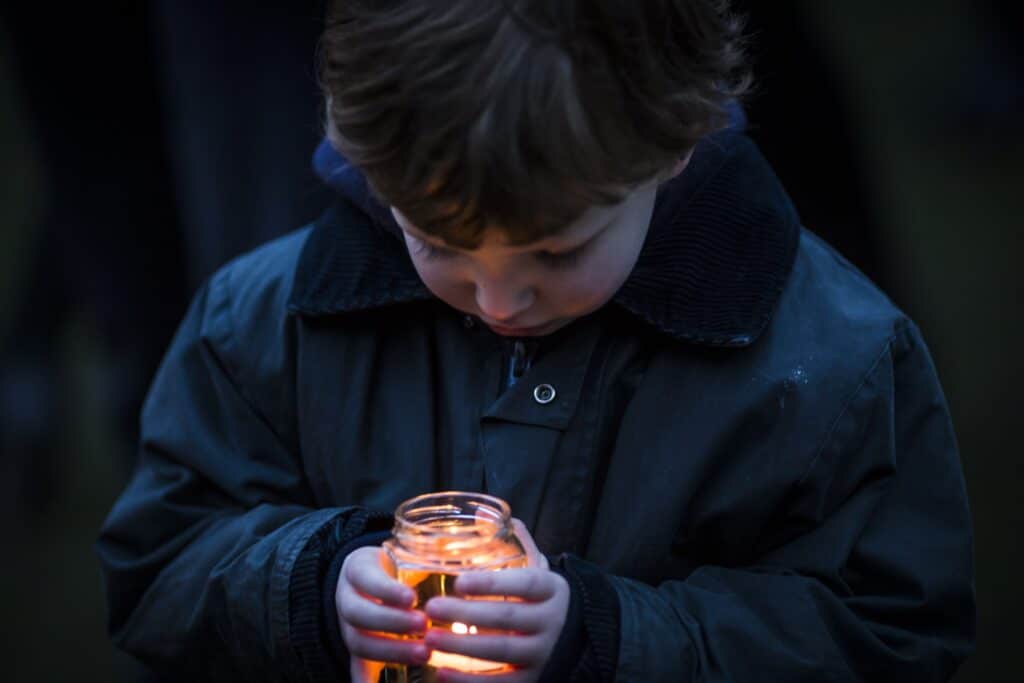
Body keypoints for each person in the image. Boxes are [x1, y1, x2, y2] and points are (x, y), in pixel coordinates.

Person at [96, 1, 976, 681]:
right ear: (368, 164)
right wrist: (308, 588)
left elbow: (888, 631)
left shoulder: (829, 367)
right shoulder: (264, 324)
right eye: (436, 240)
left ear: (670, 146)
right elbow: (158, 562)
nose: (500, 298)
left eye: (558, 251)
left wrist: (605, 636)